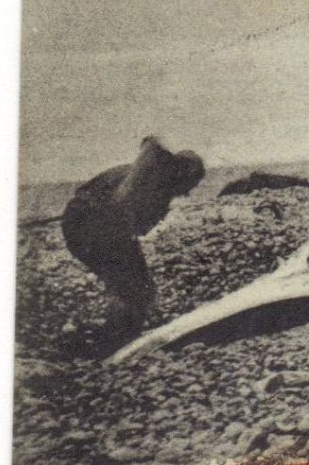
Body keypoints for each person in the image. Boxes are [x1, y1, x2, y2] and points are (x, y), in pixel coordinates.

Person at [61, 136, 205, 338]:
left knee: (132, 286)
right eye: (191, 185)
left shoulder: (136, 174)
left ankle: (118, 331)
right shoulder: (155, 187)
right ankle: (117, 336)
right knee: (131, 287)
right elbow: (138, 226)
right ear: (183, 176)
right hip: (97, 230)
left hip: (78, 223)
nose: (188, 193)